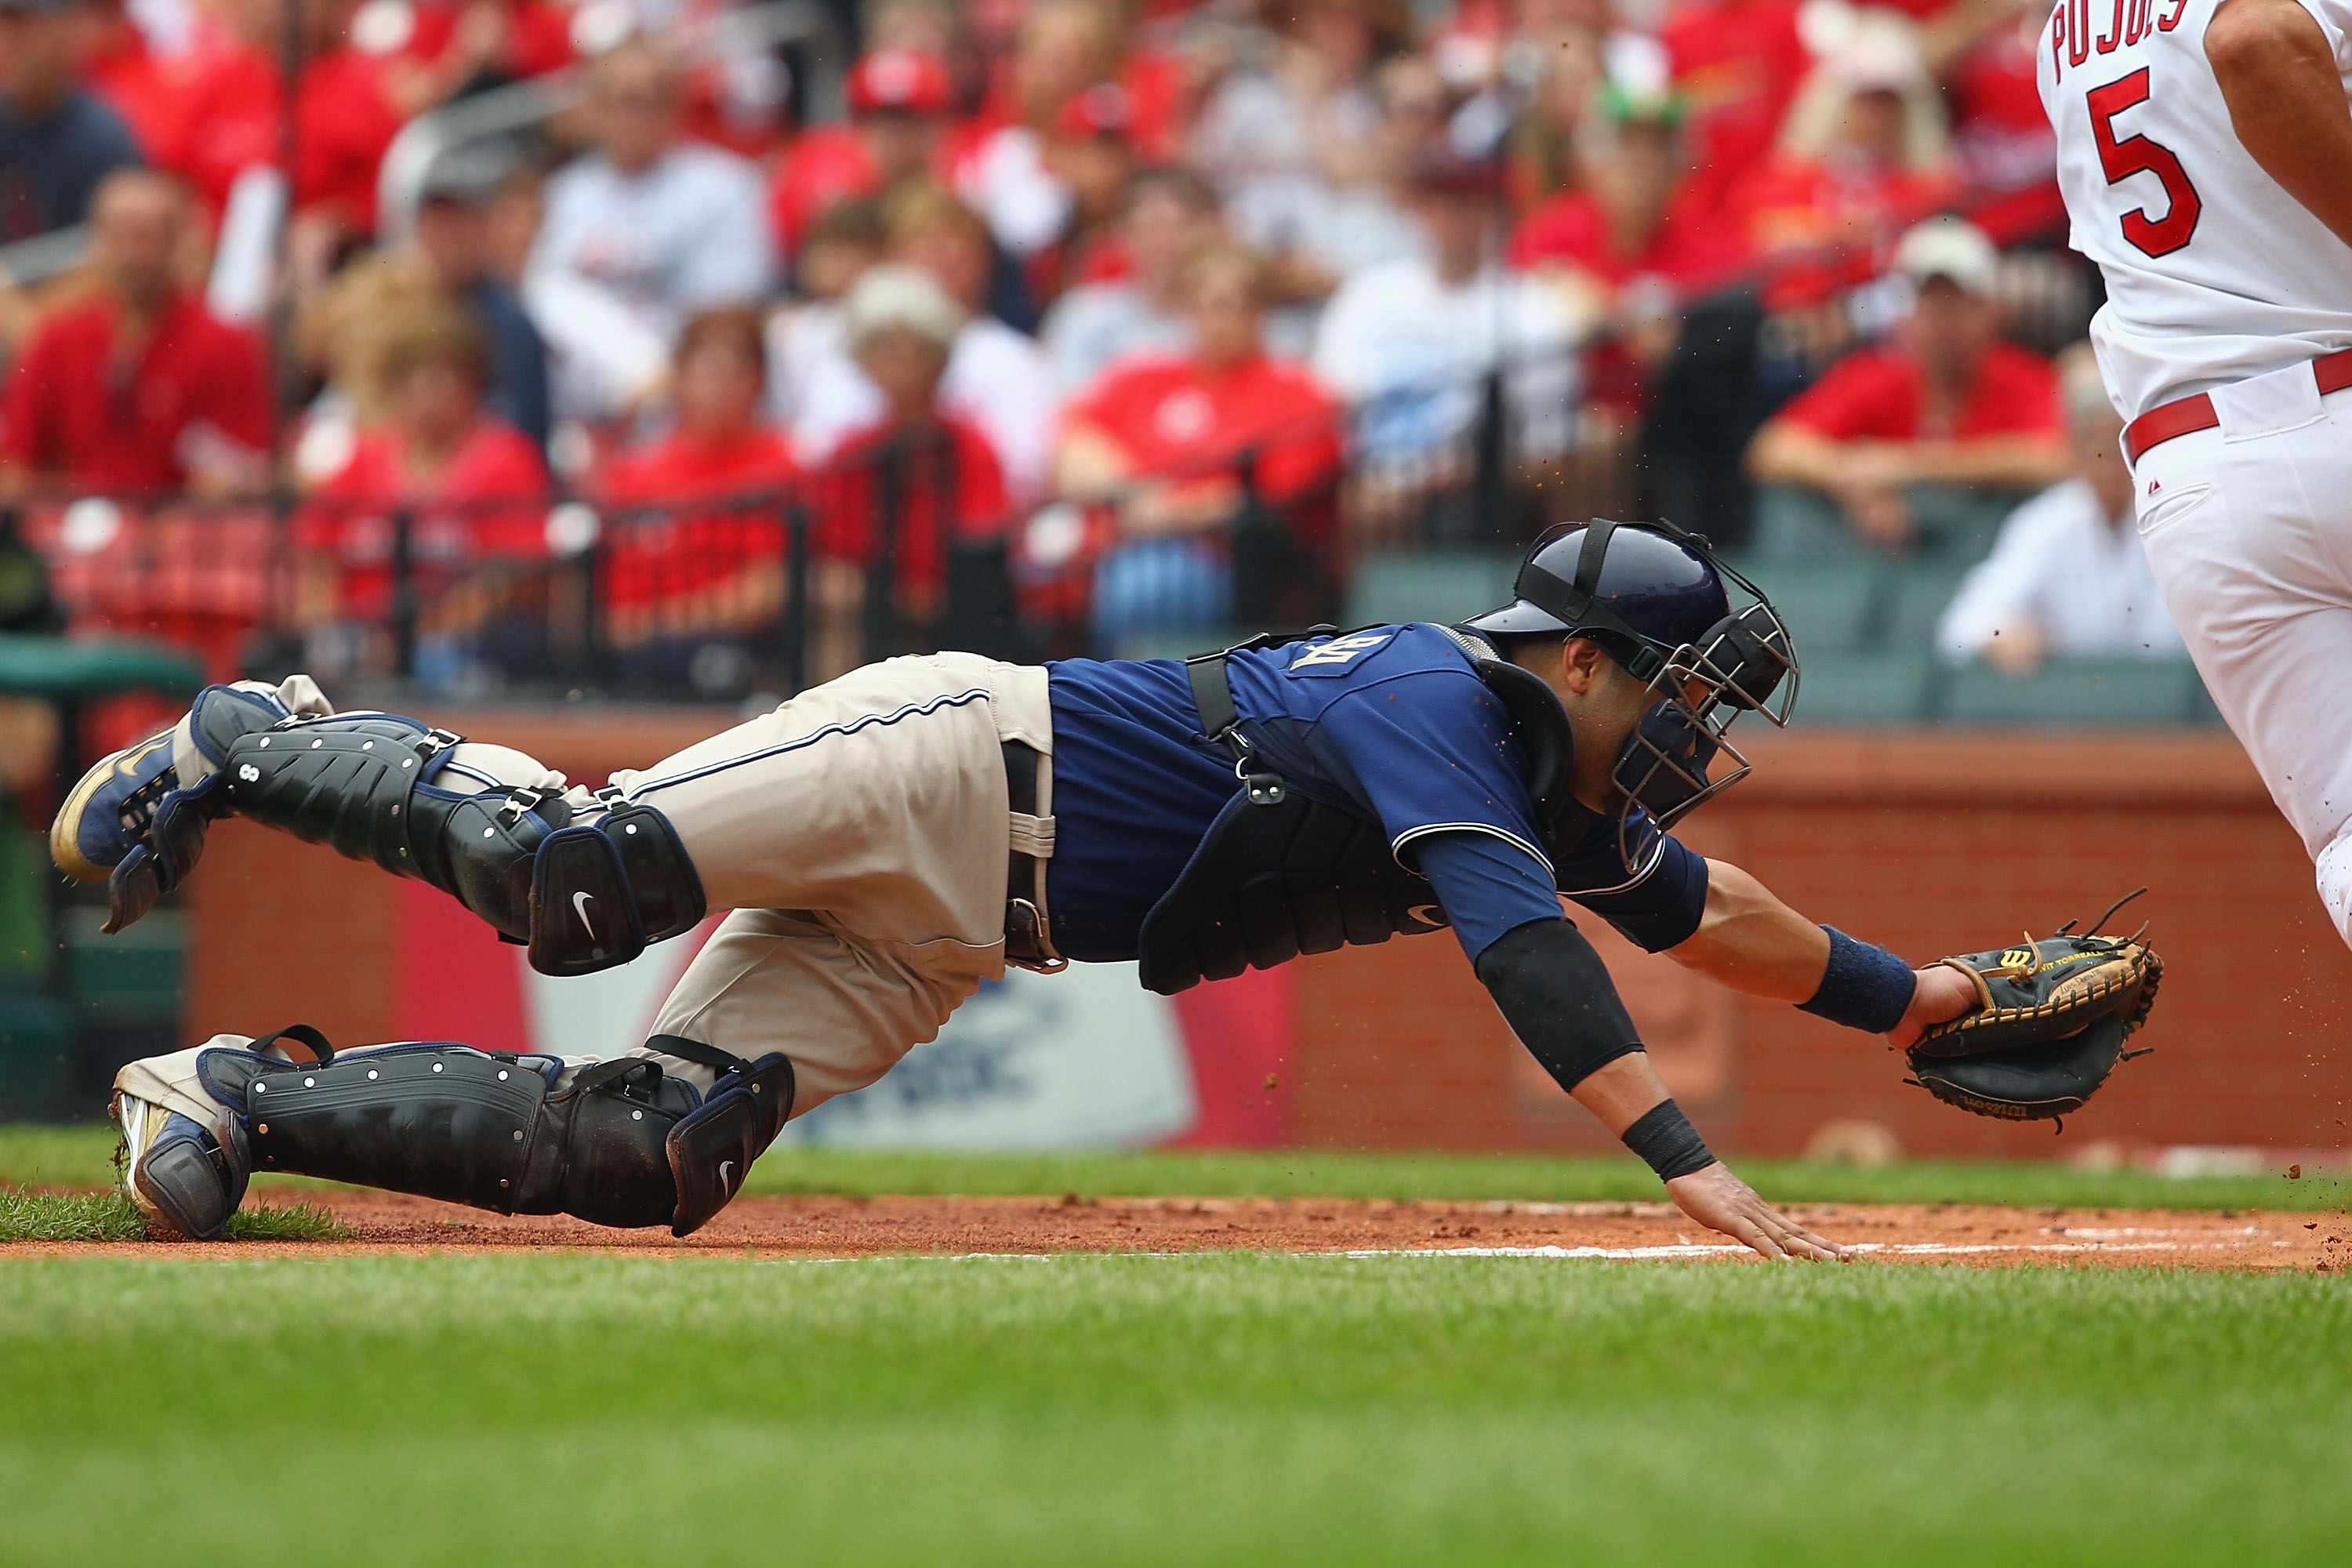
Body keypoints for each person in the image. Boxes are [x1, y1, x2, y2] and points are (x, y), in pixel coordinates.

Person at [56, 519, 1978, 1257]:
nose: (1686, 725)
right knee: (572, 877)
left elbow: (1698, 905)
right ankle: (247, 733)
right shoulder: (1435, 695)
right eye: (1674, 682)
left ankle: (231, 1095)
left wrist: (1911, 1003)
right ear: (1571, 659)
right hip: (952, 758)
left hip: (971, 922)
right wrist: (1679, 1153)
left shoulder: (1537, 772)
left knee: (657, 1149)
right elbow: (1516, 943)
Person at [2039, 0, 2352, 944]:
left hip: (2198, 478)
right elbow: (2252, 40)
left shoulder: (2063, 26)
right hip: (2336, 380)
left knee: (2345, 833)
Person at [1054, 243, 1341, 648]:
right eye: (1206, 304)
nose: (1219, 319)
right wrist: (1135, 496)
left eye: (1234, 304)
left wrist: (1167, 512)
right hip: (1116, 546)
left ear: (1262, 311)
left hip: (1225, 562)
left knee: (1142, 587)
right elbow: (1074, 446)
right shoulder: (1144, 376)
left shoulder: (1296, 392)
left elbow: (1265, 497)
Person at [1744, 217, 2069, 552]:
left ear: (1989, 310)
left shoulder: (2024, 375)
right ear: (1907, 314)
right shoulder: (1877, 375)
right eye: (1929, 302)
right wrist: (1853, 483)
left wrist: (1904, 468)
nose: (1942, 320)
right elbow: (1772, 448)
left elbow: (2053, 458)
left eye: (1957, 303)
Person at [1310, 150, 1579, 540]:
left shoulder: (1529, 304)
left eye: (1465, 202)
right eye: (1437, 202)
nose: (1450, 217)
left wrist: (1458, 473)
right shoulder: (1371, 293)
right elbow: (1331, 395)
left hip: (1486, 477)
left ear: (1491, 212)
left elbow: (1545, 439)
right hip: (1377, 472)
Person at [525, 38, 775, 421]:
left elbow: (729, 309)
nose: (631, 117)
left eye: (646, 100)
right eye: (617, 101)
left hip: (688, 394)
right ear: (593, 108)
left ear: (674, 107)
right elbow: (547, 302)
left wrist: (657, 374)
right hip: (589, 402)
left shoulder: (725, 185)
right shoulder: (564, 195)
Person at [0, 169, 269, 499]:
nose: (132, 255)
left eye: (145, 237)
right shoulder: (58, 338)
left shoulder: (223, 343)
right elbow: (17, 461)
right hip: (67, 531)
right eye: (118, 236)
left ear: (176, 243)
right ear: (96, 240)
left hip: (179, 536)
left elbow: (237, 469)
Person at [1937, 347, 2184, 673]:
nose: (2106, 463)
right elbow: (1961, 627)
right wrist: (2002, 635)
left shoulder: (2172, 510)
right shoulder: (2044, 522)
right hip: (2070, 711)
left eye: (2115, 447)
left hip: (2164, 709)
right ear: (2075, 452)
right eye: (2094, 448)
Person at [596, 307, 801, 685]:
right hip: (630, 648)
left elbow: (772, 586)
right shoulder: (636, 470)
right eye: (703, 371)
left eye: (729, 373)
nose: (715, 387)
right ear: (679, 377)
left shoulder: (782, 465)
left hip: (733, 647)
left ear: (758, 382)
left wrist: (660, 625)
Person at [1039, 166, 1220, 396]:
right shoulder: (1083, 316)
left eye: (1180, 226)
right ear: (1121, 236)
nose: (1165, 242)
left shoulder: (1238, 320)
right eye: (1153, 227)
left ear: (1210, 230)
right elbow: (1072, 407)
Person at [0, 0, 145, 243]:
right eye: (5, 30)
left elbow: (112, 258)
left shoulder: (102, 140)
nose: (10, 45)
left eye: (25, 31)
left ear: (65, 32)